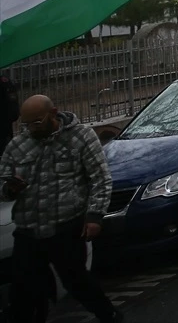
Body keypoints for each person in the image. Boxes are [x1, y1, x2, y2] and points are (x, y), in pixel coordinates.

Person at [0, 95, 121, 323]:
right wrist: (10, 189)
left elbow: (100, 178)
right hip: (29, 229)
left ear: (53, 113)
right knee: (22, 289)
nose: (31, 129)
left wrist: (95, 215)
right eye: (26, 124)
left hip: (66, 225)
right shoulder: (18, 146)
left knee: (76, 281)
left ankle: (110, 316)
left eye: (37, 122)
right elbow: (2, 183)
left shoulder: (80, 137)